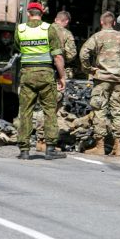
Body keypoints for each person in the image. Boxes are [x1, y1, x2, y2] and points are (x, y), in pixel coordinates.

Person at [80, 11, 120, 156]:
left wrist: (89, 69)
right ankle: (118, 147)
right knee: (117, 112)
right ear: (114, 23)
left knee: (99, 111)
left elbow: (84, 53)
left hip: (101, 80)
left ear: (102, 22)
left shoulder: (96, 37)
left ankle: (100, 146)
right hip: (118, 80)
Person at [15, 1, 66, 160]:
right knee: (50, 110)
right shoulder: (48, 29)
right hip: (46, 75)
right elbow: (57, 56)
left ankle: (24, 150)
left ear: (29, 13)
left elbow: (18, 49)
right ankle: (50, 148)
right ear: (42, 13)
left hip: (27, 75)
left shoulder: (20, 30)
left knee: (25, 111)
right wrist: (62, 76)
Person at [34, 10, 77, 152]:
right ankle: (47, 141)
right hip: (55, 73)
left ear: (55, 19)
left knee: (41, 105)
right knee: (52, 108)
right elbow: (71, 55)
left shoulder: (42, 29)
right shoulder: (66, 34)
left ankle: (39, 139)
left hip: (38, 71)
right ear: (66, 22)